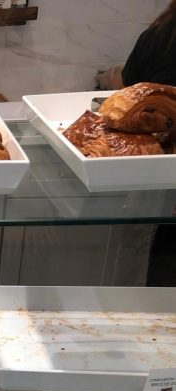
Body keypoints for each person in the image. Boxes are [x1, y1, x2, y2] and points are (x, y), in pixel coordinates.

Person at [96, 2, 176, 287]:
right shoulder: (160, 36)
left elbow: (131, 86)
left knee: (146, 271)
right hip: (156, 177)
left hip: (154, 180)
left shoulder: (160, 34)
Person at [97, 1, 176, 88]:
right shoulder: (155, 35)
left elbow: (128, 81)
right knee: (118, 73)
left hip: (154, 96)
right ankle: (103, 77)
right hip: (154, 92)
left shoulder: (155, 34)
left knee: (117, 74)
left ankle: (103, 78)